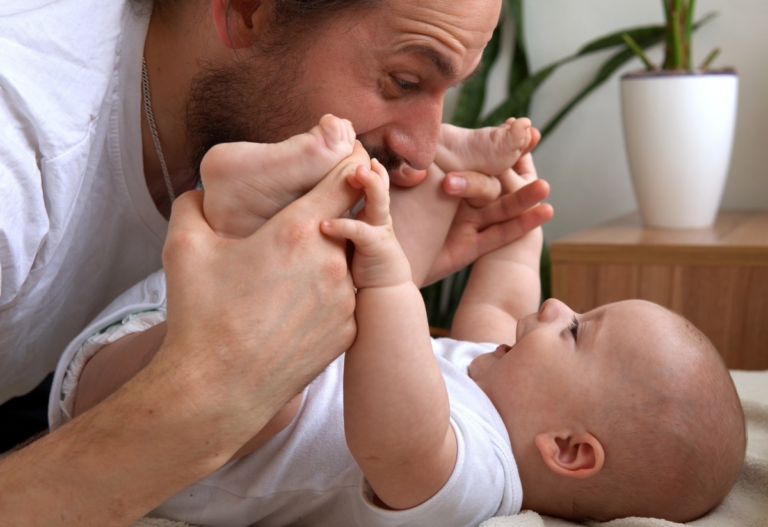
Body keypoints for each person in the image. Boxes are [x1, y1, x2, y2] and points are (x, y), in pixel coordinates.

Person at [0, 0, 551, 523]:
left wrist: (397, 268)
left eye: (445, 91)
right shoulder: (19, 153)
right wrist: (214, 388)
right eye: (403, 81)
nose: (423, 149)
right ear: (246, 11)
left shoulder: (253, 114)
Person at [56, 122, 744, 524]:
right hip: (195, 311)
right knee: (345, 306)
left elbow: (392, 437)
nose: (557, 307)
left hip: (154, 416)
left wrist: (386, 273)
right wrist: (518, 207)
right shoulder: (496, 364)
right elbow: (507, 282)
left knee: (286, 380)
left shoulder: (478, 475)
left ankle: (243, 211)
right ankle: (434, 162)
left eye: (576, 331)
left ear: (567, 448)